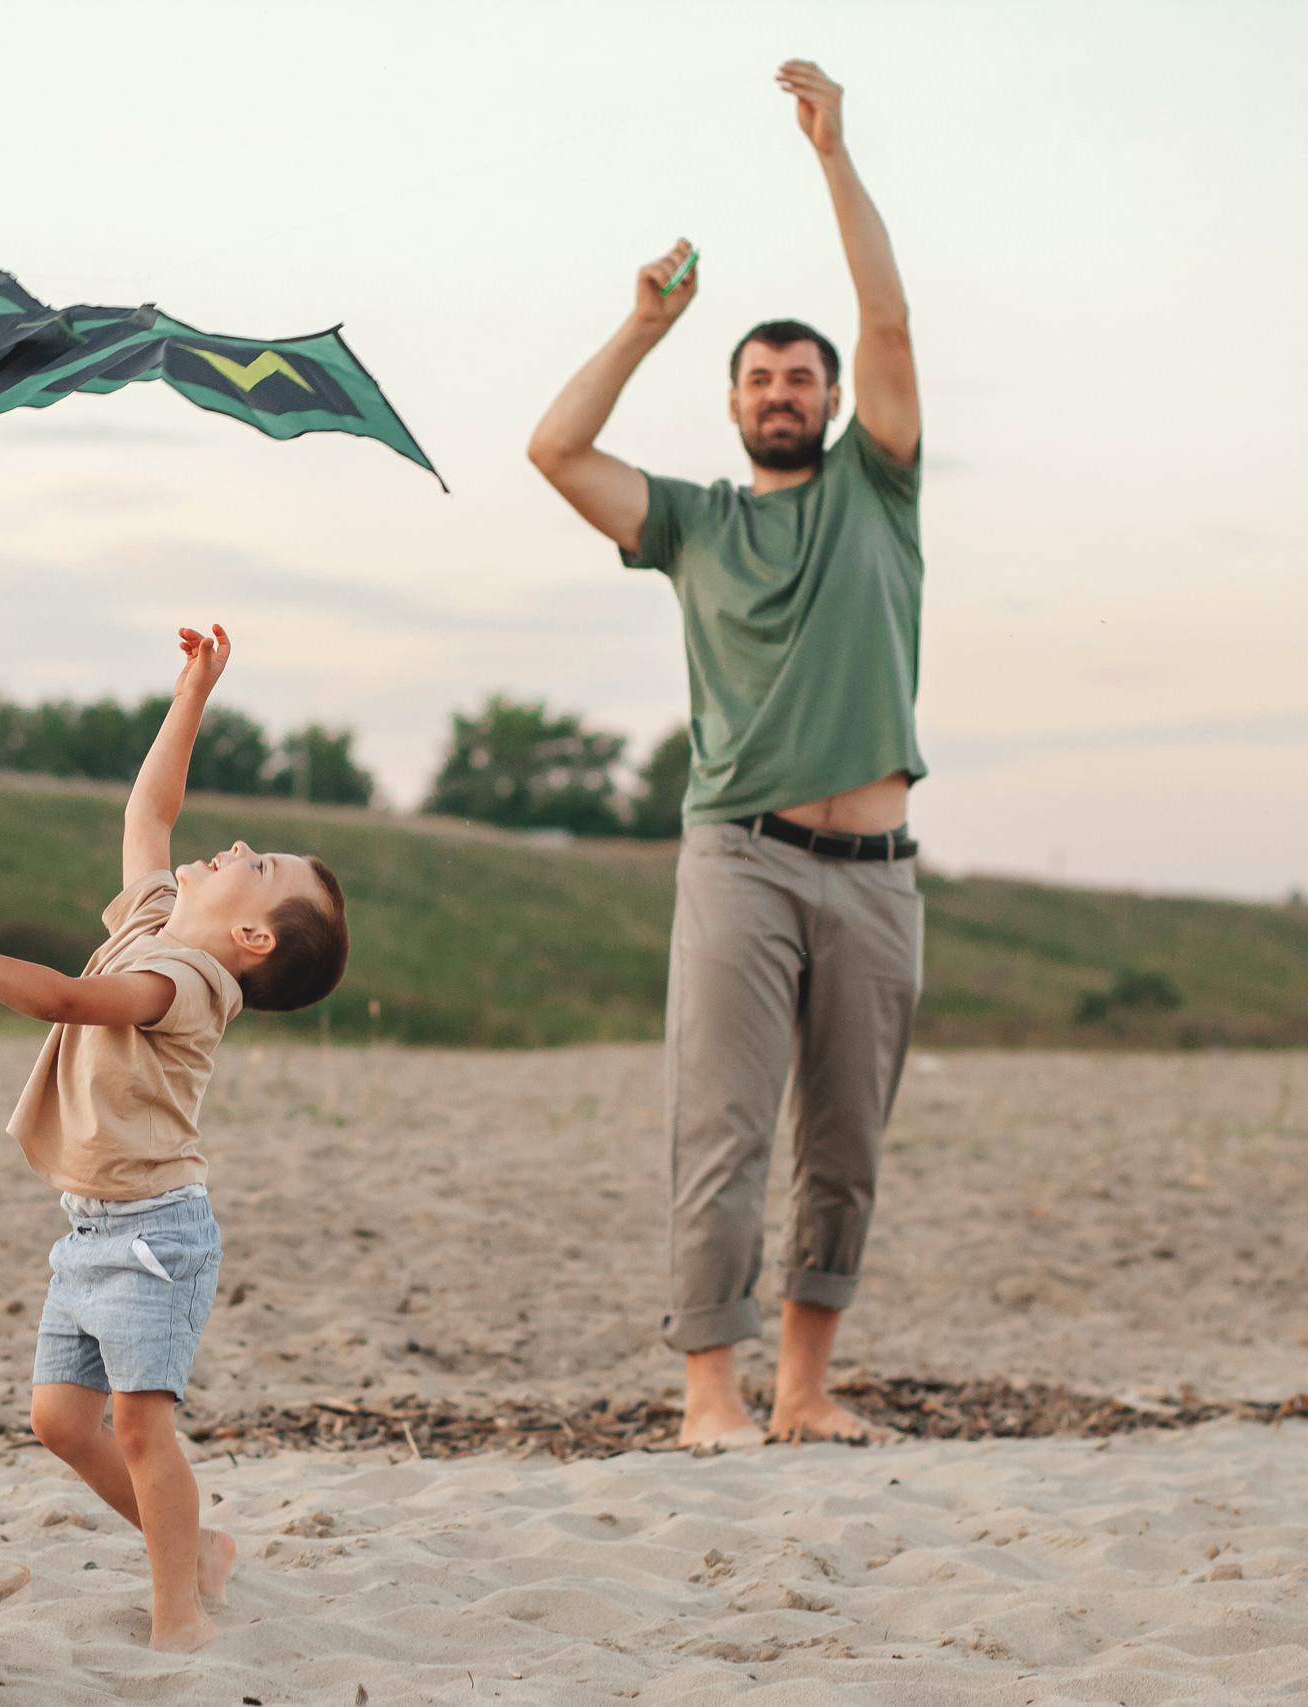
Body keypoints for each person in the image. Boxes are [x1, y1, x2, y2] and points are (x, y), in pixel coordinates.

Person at [524, 60, 924, 1447]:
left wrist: (833, 158)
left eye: (800, 375)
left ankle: (807, 1389)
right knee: (726, 1128)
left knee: (846, 1147)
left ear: (828, 399)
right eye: (758, 375)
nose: (782, 389)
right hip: (739, 857)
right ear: (736, 401)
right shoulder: (692, 521)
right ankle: (713, 1392)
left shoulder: (881, 488)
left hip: (878, 867)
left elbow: (886, 315)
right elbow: (556, 447)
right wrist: (643, 325)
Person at [0, 622, 350, 1650]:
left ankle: (176, 1616)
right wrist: (193, 691)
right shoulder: (153, 923)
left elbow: (60, 995)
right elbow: (151, 809)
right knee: (60, 1423)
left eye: (258, 862)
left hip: (155, 1238)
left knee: (142, 1429)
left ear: (253, 939)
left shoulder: (183, 983)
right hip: (90, 1231)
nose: (233, 847)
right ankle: (202, 1547)